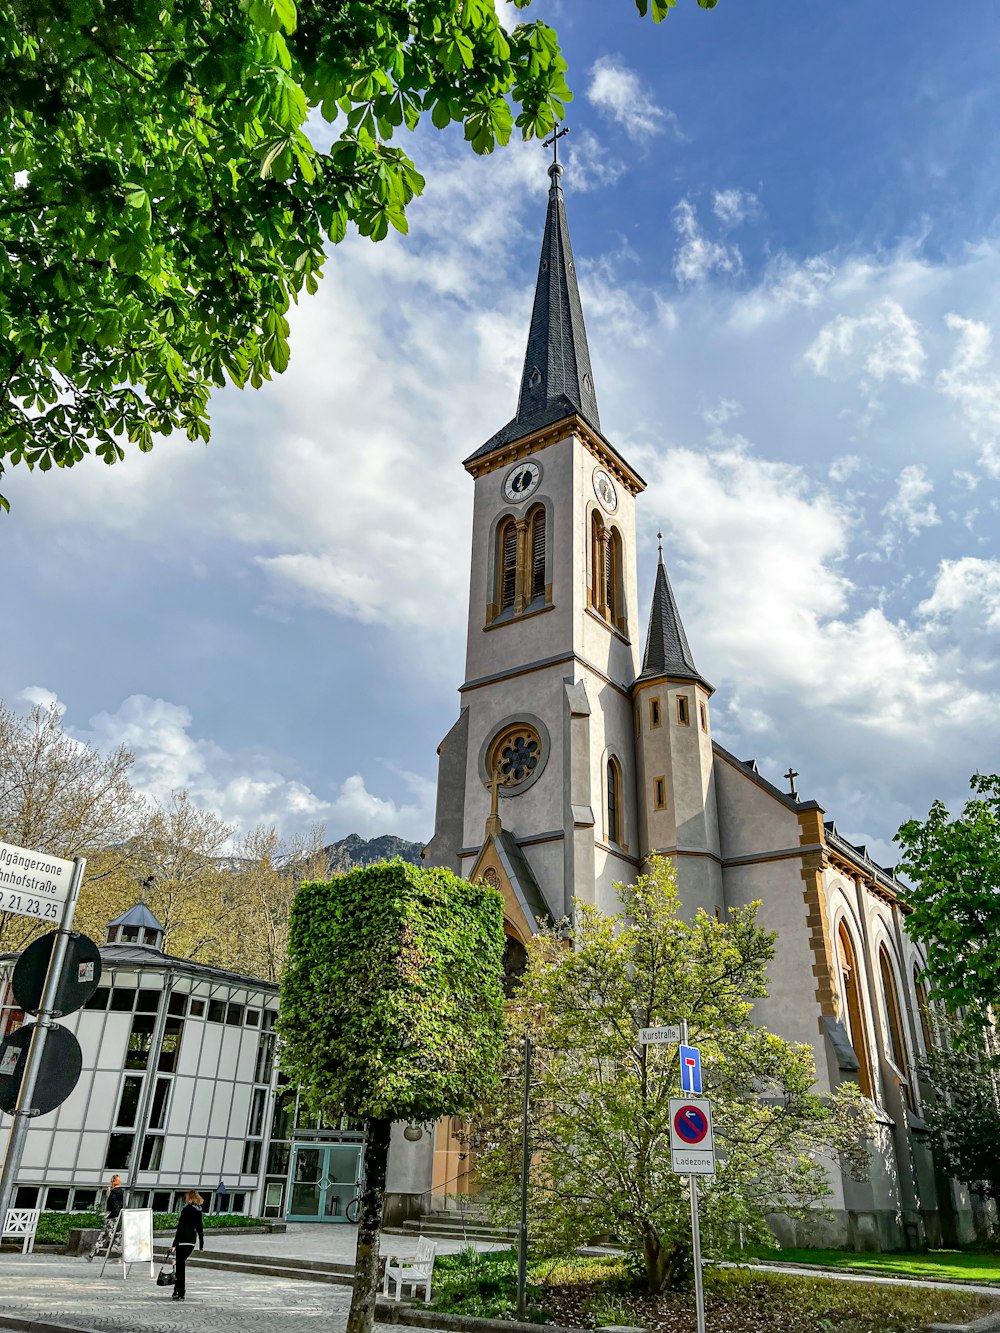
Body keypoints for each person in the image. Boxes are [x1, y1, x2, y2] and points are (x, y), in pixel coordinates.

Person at [168, 1190, 204, 1300]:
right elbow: (200, 1229)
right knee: (181, 1266)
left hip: (183, 1240)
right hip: (191, 1241)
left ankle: (179, 1291)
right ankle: (178, 1291)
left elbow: (180, 1227)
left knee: (180, 1267)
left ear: (189, 1198)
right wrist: (201, 1244)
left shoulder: (186, 1210)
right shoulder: (198, 1210)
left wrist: (174, 1244)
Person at [87, 1174, 124, 1261]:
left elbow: (113, 1204)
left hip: (112, 1217)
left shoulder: (113, 1192)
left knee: (106, 1235)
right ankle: (92, 1254)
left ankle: (93, 1254)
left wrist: (108, 1195)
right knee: (107, 1235)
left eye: (112, 1181)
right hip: (118, 1216)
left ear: (113, 1182)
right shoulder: (121, 1192)